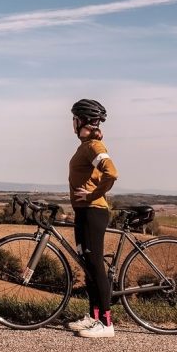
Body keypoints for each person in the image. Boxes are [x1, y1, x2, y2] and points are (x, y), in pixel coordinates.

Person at [66, 99, 119, 338]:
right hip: (83, 212)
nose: (72, 123)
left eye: (74, 118)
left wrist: (94, 194)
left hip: (93, 211)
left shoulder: (94, 146)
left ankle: (106, 323)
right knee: (88, 265)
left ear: (82, 121)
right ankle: (94, 316)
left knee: (96, 264)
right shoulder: (86, 145)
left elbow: (112, 172)